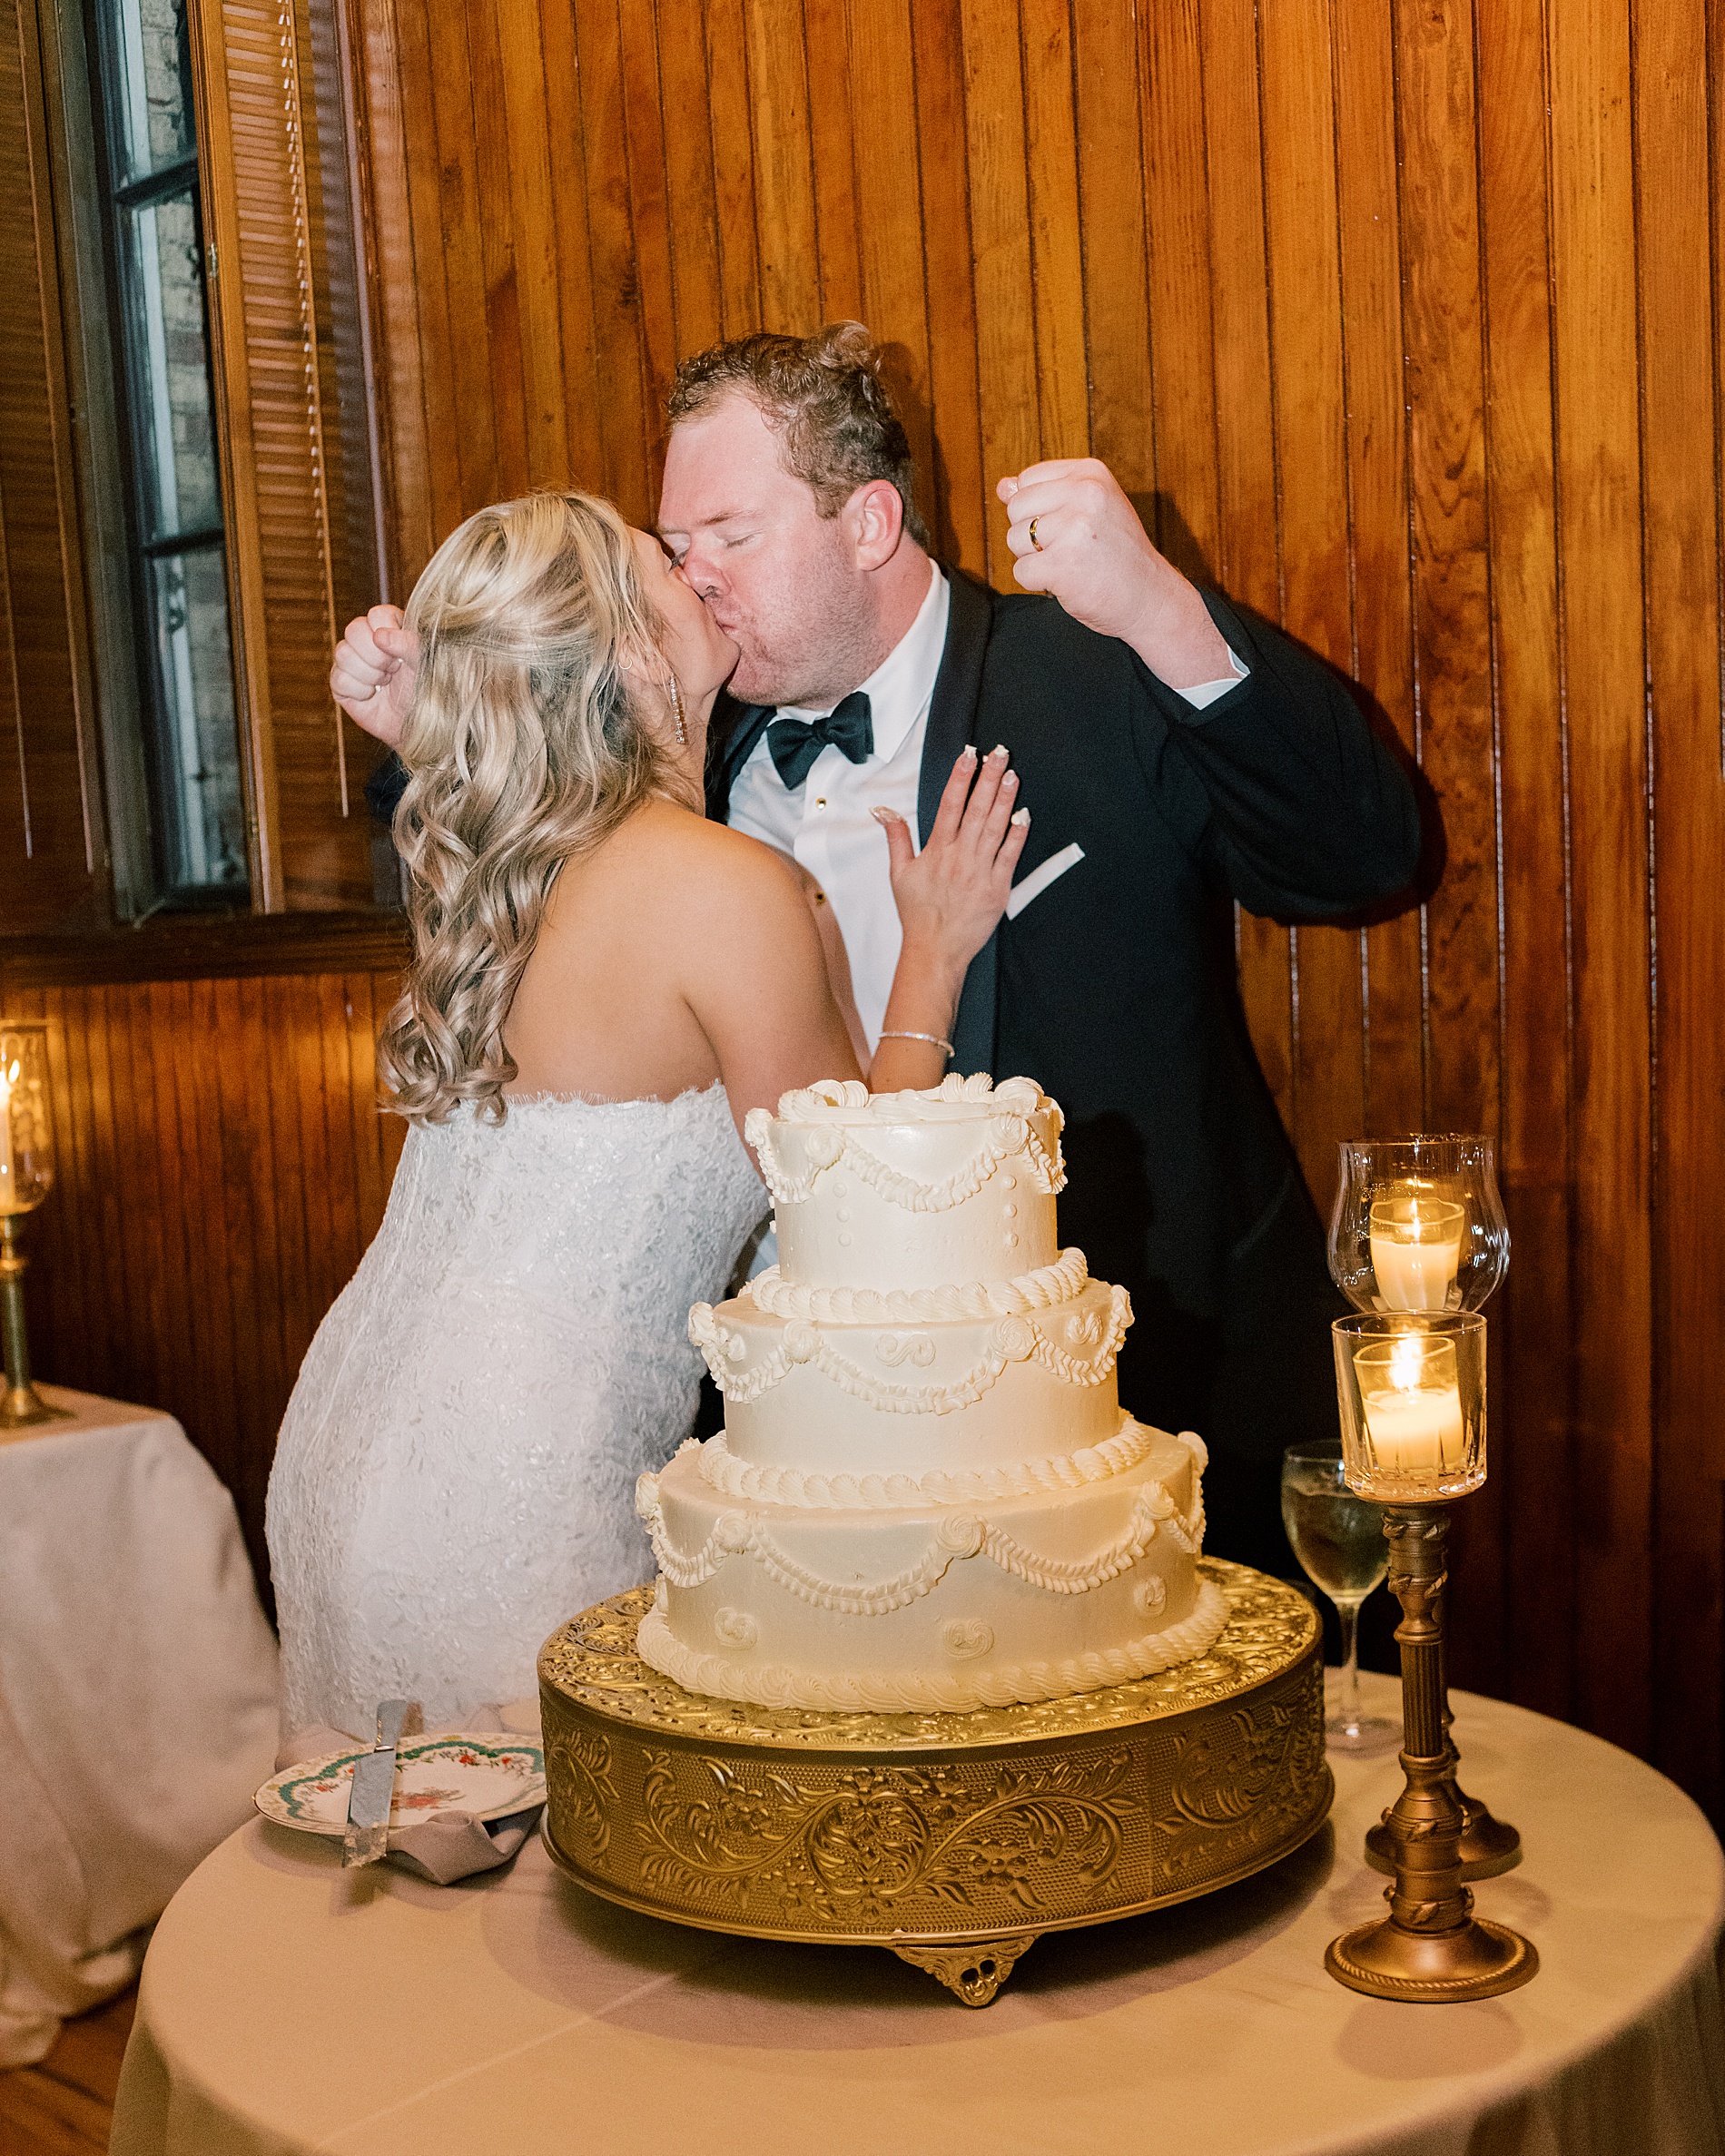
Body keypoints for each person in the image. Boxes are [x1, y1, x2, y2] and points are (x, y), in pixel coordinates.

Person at [333, 325, 1421, 1581]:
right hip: (784, 1467)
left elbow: (1362, 858)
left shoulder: (1084, 672)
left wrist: (1161, 606)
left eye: (733, 539)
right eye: (678, 552)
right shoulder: (680, 740)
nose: (698, 585)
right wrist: (423, 726)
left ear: (869, 523)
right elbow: (510, 843)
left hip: (1131, 1412)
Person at [269, 489, 1026, 1738]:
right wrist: (935, 953)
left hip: (343, 1447)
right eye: (665, 564)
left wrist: (432, 739)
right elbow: (863, 1230)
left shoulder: (494, 869)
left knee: (404, 1877)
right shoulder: (725, 891)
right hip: (518, 1486)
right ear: (627, 652)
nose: (699, 572)